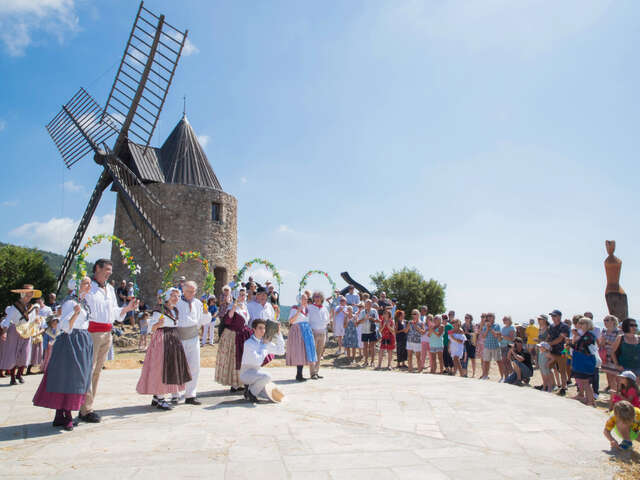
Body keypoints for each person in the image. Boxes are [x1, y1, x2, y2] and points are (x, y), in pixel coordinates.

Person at [79, 259, 137, 423]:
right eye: (107, 269)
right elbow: (79, 299)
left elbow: (114, 312)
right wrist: (82, 289)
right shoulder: (89, 286)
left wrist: (127, 309)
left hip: (107, 331)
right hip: (92, 332)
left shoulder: (110, 289)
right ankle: (85, 409)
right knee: (88, 370)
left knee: (97, 371)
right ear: (97, 268)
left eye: (111, 269)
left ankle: (87, 406)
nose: (110, 272)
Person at [33, 277, 94, 431]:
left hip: (82, 339)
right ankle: (66, 413)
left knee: (77, 376)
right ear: (77, 286)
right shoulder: (71, 303)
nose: (89, 285)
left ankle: (61, 414)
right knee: (70, 376)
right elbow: (64, 326)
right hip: (71, 340)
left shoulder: (83, 302)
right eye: (86, 283)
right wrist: (74, 314)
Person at [136, 288, 191, 410]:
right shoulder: (159, 310)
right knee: (160, 368)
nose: (175, 298)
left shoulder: (175, 310)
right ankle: (160, 398)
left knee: (170, 367)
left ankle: (157, 396)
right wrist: (157, 324)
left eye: (177, 296)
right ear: (167, 296)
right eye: (173, 295)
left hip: (173, 338)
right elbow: (151, 328)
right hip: (162, 338)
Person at [173, 280, 211, 405]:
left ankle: (190, 395)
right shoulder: (177, 303)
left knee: (194, 366)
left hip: (193, 337)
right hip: (179, 337)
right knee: (178, 366)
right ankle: (175, 393)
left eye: (193, 291)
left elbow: (203, 321)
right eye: (189, 291)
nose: (191, 293)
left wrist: (206, 313)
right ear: (183, 290)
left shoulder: (198, 303)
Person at [0, 284, 41, 385]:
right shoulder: (14, 307)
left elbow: (34, 321)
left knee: (25, 353)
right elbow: (8, 320)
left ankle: (20, 373)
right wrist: (4, 332)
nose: (29, 295)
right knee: (13, 353)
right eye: (27, 293)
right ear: (22, 293)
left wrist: (36, 323)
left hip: (27, 331)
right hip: (15, 330)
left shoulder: (33, 307)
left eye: (31, 293)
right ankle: (13, 377)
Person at [215, 289, 253, 393]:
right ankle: (234, 383)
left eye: (244, 295)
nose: (243, 297)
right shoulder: (232, 306)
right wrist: (234, 308)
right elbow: (227, 320)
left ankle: (241, 382)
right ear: (236, 296)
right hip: (233, 335)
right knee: (234, 359)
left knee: (242, 359)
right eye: (241, 295)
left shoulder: (245, 306)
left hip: (243, 334)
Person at [239, 319, 285, 403]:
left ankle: (250, 390)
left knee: (271, 393)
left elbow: (281, 351)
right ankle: (251, 393)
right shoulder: (249, 343)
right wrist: (264, 346)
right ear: (254, 329)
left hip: (256, 374)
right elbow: (257, 361)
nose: (263, 330)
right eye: (260, 328)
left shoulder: (265, 342)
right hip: (246, 374)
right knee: (267, 376)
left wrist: (279, 334)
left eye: (264, 328)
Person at [286, 293, 317, 381]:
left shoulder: (307, 309)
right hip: (297, 330)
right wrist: (298, 311)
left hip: (306, 330)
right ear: (299, 300)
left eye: (306, 299)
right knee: (299, 351)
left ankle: (300, 374)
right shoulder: (295, 308)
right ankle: (299, 374)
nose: (305, 300)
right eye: (303, 299)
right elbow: (291, 321)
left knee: (304, 352)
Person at [569, 317, 599, 406]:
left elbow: (584, 347)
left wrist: (577, 337)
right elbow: (577, 347)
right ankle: (590, 400)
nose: (580, 325)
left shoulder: (589, 335)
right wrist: (570, 343)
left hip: (586, 361)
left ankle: (590, 401)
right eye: (580, 323)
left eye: (583, 323)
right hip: (580, 361)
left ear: (588, 325)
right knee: (582, 381)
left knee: (586, 382)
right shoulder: (583, 335)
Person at [547, 309, 570, 396]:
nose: (552, 317)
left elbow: (560, 339)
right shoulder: (551, 326)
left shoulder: (564, 326)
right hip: (552, 351)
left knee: (562, 370)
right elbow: (549, 337)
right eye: (552, 316)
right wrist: (546, 344)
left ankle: (563, 387)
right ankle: (552, 385)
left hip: (562, 351)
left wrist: (549, 344)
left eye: (554, 316)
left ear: (559, 316)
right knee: (548, 368)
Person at [308, 291, 330, 379]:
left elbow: (327, 320)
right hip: (313, 332)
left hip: (322, 332)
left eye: (319, 297)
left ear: (322, 298)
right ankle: (312, 373)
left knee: (319, 354)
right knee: (313, 354)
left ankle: (316, 372)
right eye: (315, 297)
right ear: (313, 298)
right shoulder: (310, 307)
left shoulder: (324, 308)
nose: (317, 298)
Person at [601, 315, 621, 394]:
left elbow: (619, 345)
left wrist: (608, 342)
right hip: (605, 356)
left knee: (616, 375)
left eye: (607, 320)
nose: (605, 322)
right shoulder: (604, 331)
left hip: (615, 357)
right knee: (609, 375)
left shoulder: (619, 332)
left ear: (613, 321)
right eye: (604, 320)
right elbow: (601, 344)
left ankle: (618, 392)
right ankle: (612, 392)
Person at [480, 313, 503, 380]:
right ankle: (485, 376)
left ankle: (502, 377)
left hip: (495, 346)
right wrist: (487, 328)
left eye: (490, 316)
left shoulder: (497, 326)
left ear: (494, 318)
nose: (488, 318)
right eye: (487, 316)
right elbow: (484, 336)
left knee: (499, 362)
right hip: (487, 346)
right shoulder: (485, 326)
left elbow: (496, 335)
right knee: (486, 362)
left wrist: (490, 328)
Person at [357, 299, 379, 367]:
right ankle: (366, 361)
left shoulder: (374, 311)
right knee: (365, 347)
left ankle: (372, 362)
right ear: (365, 304)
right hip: (364, 331)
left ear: (371, 304)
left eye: (370, 303)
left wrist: (373, 319)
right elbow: (358, 322)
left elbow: (378, 320)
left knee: (372, 347)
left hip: (372, 331)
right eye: (367, 303)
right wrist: (365, 318)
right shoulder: (362, 312)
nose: (368, 305)